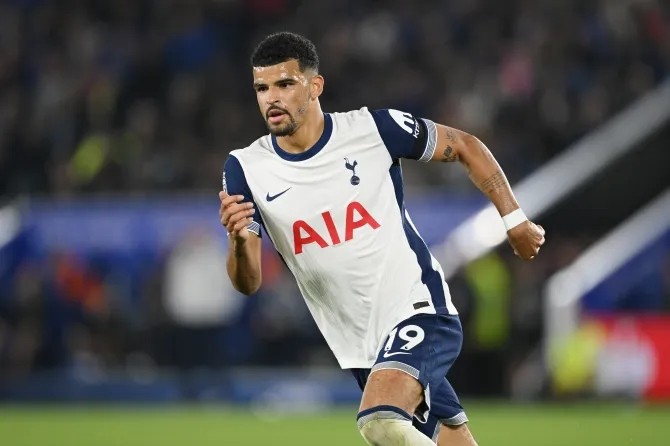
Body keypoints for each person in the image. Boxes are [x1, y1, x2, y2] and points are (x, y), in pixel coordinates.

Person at [219, 32, 545, 446]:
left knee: (380, 422)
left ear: (315, 86)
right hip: (360, 348)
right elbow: (248, 283)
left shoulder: (372, 129)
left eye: (285, 84)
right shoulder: (246, 168)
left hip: (417, 312)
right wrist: (237, 241)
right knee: (447, 438)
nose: (272, 98)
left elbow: (465, 145)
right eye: (262, 88)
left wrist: (514, 219)